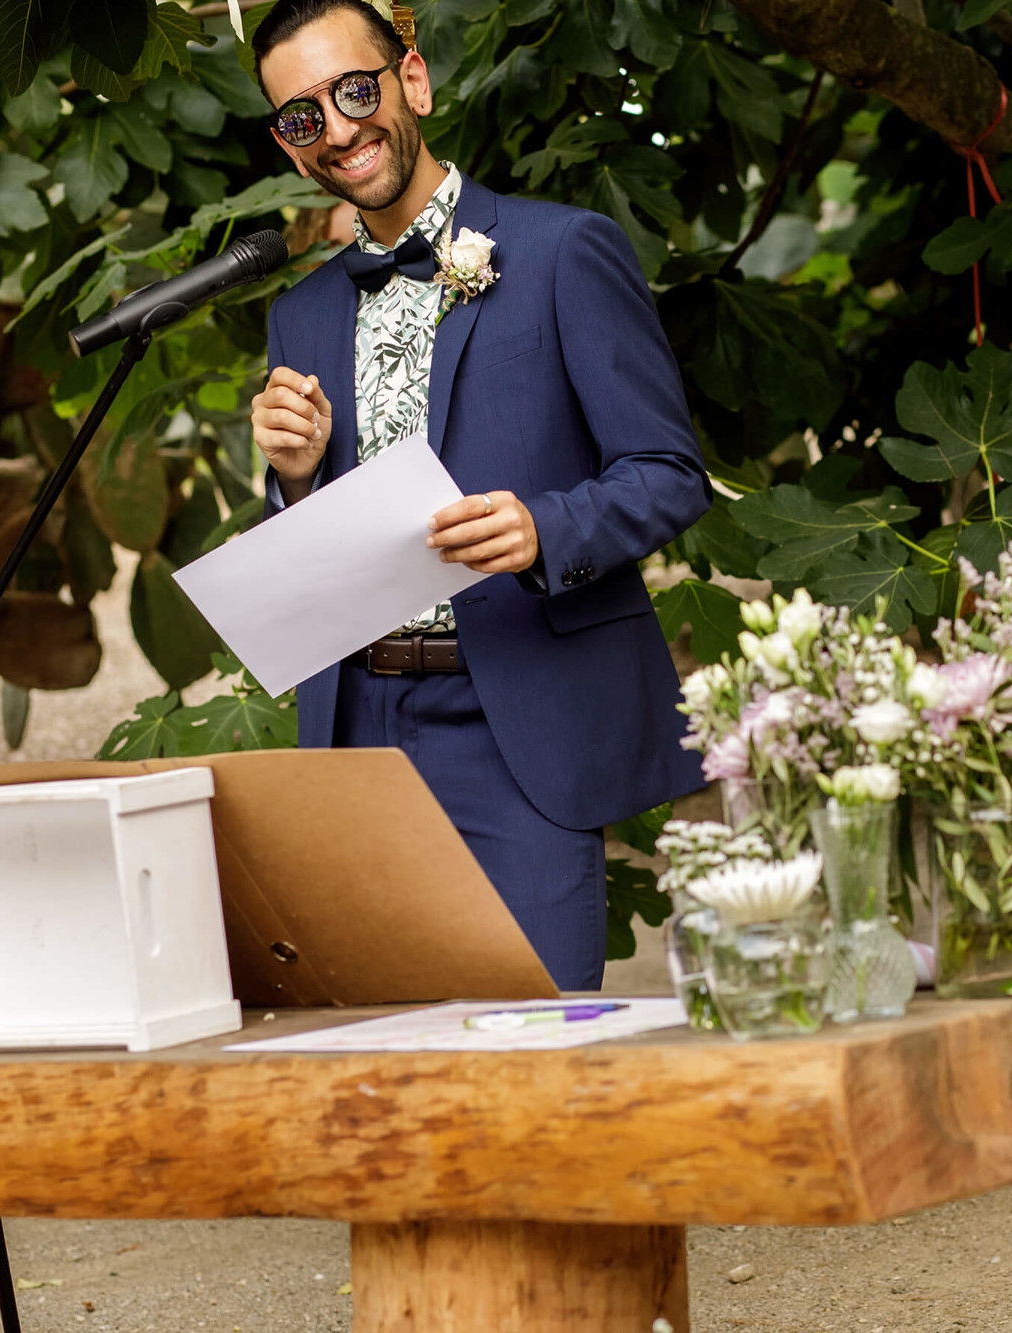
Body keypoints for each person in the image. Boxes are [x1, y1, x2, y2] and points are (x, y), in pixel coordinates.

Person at [245, 0, 710, 989]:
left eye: (353, 91)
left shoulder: (561, 252)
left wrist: (545, 529)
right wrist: (291, 484)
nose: (335, 129)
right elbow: (310, 562)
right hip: (356, 727)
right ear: (288, 147)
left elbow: (668, 474)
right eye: (300, 118)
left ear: (411, 82)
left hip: (516, 716)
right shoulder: (300, 312)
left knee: (538, 1060)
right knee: (382, 1071)